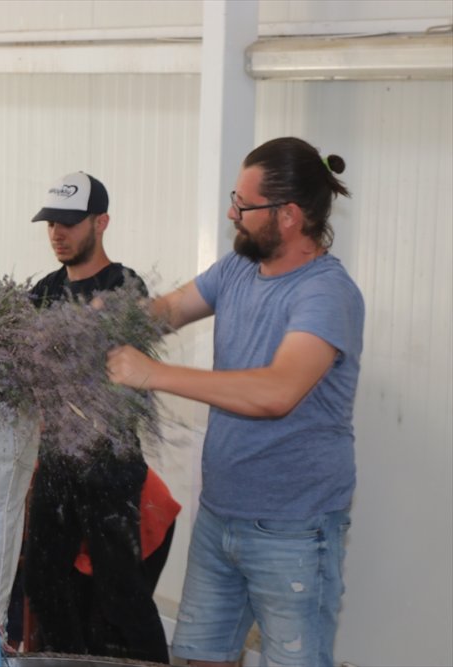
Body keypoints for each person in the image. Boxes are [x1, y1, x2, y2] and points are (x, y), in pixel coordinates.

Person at [106, 137, 364, 667]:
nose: (232, 213)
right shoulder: (237, 269)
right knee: (201, 658)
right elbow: (167, 310)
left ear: (289, 216)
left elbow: (277, 392)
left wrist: (153, 373)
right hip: (221, 517)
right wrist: (95, 322)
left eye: (243, 205)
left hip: (294, 528)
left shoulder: (324, 294)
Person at [16, 171, 180, 662]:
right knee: (43, 582)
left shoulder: (125, 286)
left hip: (110, 464)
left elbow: (113, 358)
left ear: (101, 222)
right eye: (50, 224)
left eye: (68, 222)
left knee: (121, 593)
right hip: (56, 463)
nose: (57, 233)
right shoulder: (44, 291)